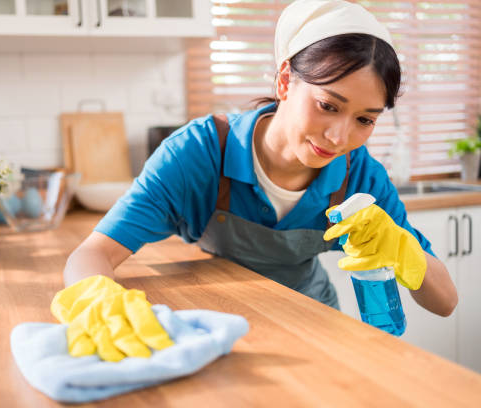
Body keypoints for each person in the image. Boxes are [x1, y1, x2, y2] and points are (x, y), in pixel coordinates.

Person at [64, 0, 458, 317]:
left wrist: (404, 251)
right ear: (285, 81)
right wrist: (100, 307)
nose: (340, 138)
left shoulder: (359, 180)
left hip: (315, 321)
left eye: (365, 119)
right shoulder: (199, 153)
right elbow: (93, 254)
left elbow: (445, 302)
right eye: (327, 105)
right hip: (219, 319)